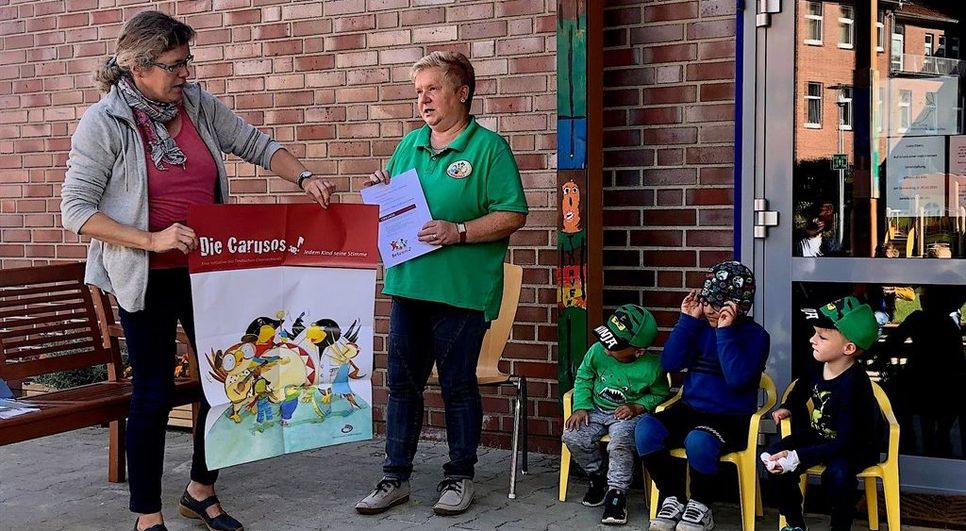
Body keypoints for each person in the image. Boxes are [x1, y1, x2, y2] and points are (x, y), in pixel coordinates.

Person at [60, 11, 335, 531]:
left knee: (228, 380)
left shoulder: (197, 105)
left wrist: (305, 178)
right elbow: (76, 211)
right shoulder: (106, 122)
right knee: (154, 392)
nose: (185, 73)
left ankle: (200, 491)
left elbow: (255, 144)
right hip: (144, 276)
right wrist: (152, 239)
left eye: (187, 62)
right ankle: (147, 514)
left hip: (208, 270)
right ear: (138, 69)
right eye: (173, 65)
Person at [354, 51, 528, 517]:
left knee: (456, 386)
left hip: (460, 290)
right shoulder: (410, 144)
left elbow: (513, 213)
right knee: (402, 385)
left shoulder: (489, 149)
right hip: (409, 283)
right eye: (418, 92)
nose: (423, 100)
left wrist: (460, 231)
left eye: (432, 89)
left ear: (462, 93)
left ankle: (459, 477)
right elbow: (397, 207)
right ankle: (395, 477)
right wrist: (381, 186)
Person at [636, 261, 770, 531]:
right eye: (707, 301)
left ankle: (702, 505)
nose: (709, 309)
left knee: (699, 440)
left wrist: (724, 333)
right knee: (645, 429)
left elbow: (737, 381)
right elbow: (670, 364)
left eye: (718, 305)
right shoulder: (698, 326)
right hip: (691, 409)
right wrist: (686, 321)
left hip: (731, 417)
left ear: (738, 306)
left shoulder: (757, 337)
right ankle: (673, 497)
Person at [763, 296, 881, 531]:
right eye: (815, 333)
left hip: (854, 446)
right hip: (821, 436)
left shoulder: (854, 384)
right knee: (774, 457)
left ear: (849, 348)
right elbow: (801, 388)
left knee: (837, 475)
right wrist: (788, 406)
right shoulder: (818, 363)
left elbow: (846, 441)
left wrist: (798, 456)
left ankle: (840, 527)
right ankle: (794, 524)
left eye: (822, 337)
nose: (812, 340)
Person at [562, 304, 670, 526]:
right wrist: (580, 406)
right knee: (573, 436)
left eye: (614, 346)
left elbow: (660, 394)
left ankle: (617, 493)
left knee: (620, 443)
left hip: (626, 415)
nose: (606, 349)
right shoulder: (597, 351)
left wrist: (637, 407)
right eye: (606, 340)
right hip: (594, 408)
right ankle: (598, 476)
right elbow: (584, 376)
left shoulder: (652, 367)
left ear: (638, 351)